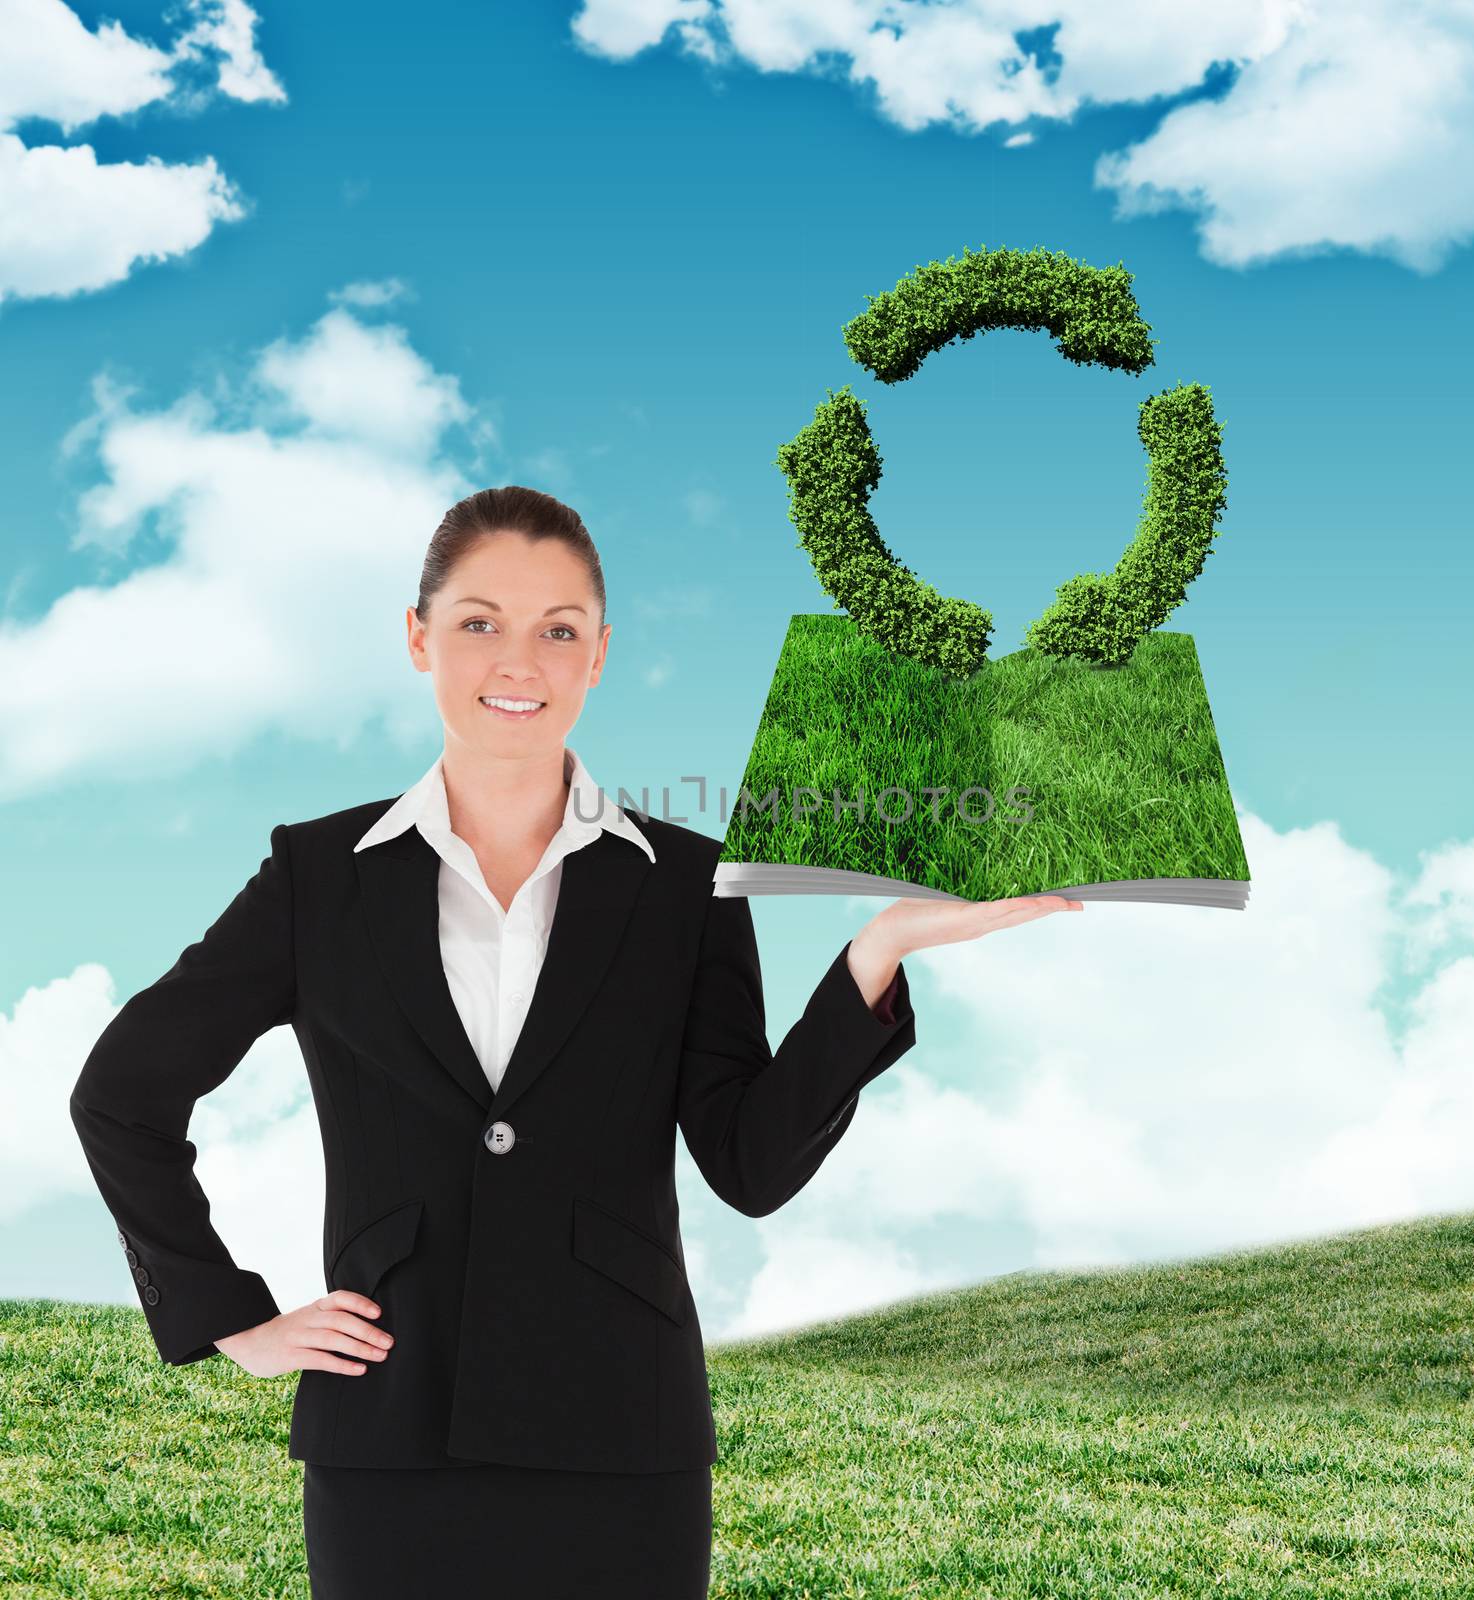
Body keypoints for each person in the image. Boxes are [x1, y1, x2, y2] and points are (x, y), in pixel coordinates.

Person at [68, 485, 1082, 1598]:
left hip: (622, 1444)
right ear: (419, 636)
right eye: (478, 622)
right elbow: (121, 1094)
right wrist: (230, 1317)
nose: (520, 661)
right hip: (391, 1441)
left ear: (599, 654)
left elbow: (746, 1163)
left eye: (558, 630)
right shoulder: (320, 877)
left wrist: (877, 955)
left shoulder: (688, 883)